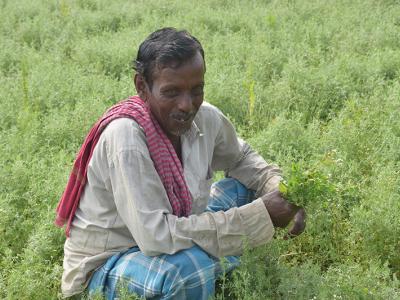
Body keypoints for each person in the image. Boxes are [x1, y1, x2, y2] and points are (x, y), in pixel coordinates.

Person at [56, 27, 306, 299]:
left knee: (248, 191)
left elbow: (243, 159)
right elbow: (157, 237)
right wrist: (260, 216)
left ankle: (217, 262)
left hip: (177, 230)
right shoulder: (126, 138)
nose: (187, 105)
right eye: (172, 92)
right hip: (111, 262)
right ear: (142, 86)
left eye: (196, 90)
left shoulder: (204, 117)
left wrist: (282, 191)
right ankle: (215, 264)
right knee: (188, 270)